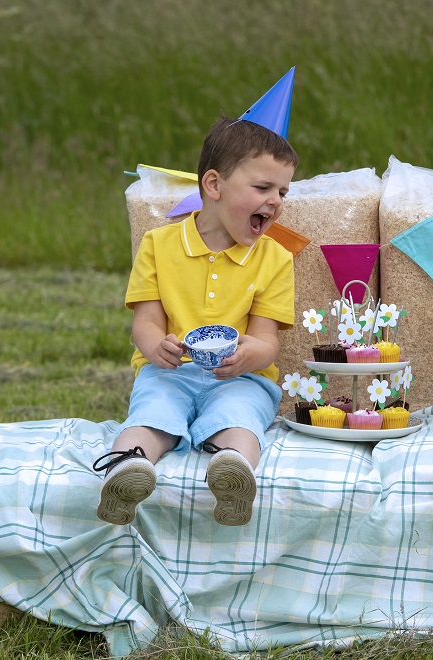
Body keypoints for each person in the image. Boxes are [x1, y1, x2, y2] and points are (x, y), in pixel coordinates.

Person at [92, 85, 298, 526]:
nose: (276, 201)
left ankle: (233, 475)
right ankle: (128, 470)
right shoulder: (159, 245)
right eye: (263, 187)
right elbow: (146, 322)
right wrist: (154, 349)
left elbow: (267, 342)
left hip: (240, 376)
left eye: (283, 191)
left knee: (239, 417)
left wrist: (249, 356)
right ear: (213, 184)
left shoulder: (275, 259)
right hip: (171, 371)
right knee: (153, 412)